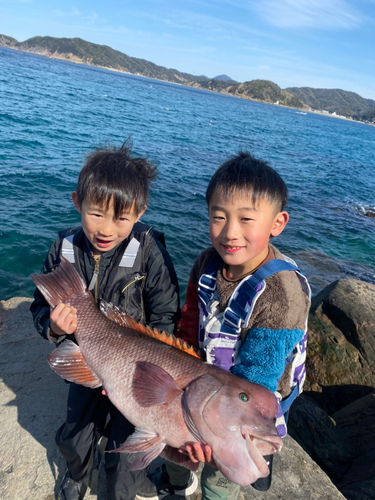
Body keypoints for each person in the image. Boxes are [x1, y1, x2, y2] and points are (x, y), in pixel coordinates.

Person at [138, 151, 311, 500]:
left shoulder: (282, 295)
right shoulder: (206, 262)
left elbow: (256, 381)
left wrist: (214, 434)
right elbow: (188, 323)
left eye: (247, 219)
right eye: (218, 217)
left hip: (243, 403)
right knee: (176, 442)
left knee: (221, 478)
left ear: (277, 223)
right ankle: (177, 481)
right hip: (202, 380)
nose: (230, 232)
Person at [30, 142, 197, 500]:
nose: (106, 229)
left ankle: (118, 491)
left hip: (137, 374)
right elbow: (38, 310)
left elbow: (166, 317)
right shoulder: (63, 249)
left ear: (139, 213)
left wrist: (150, 374)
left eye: (121, 218)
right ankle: (76, 474)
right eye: (96, 214)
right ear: (77, 202)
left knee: (126, 452)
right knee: (74, 434)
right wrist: (54, 327)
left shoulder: (151, 254)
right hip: (88, 360)